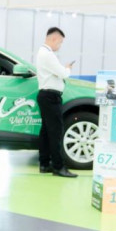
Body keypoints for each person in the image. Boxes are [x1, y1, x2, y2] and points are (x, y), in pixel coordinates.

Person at [36, 27, 77, 178]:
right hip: (51, 97)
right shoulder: (48, 54)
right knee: (56, 133)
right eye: (60, 43)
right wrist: (68, 68)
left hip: (46, 96)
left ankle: (44, 164)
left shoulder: (42, 53)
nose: (59, 46)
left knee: (46, 132)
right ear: (54, 39)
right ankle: (58, 167)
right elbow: (63, 74)